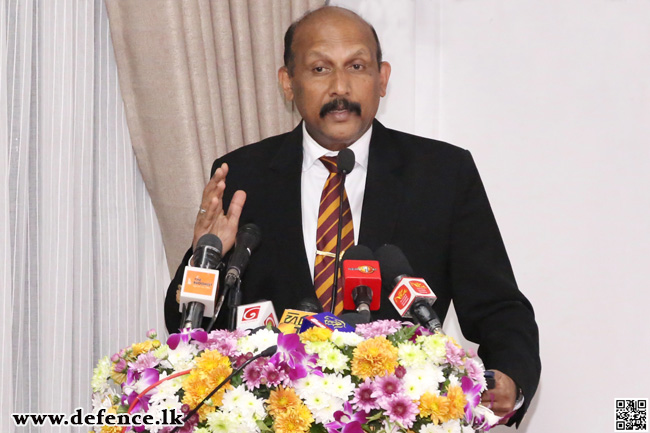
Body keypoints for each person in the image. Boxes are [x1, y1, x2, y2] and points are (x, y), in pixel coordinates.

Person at [164, 6, 540, 426]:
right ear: (288, 83)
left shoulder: (441, 174)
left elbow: (499, 307)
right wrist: (204, 256)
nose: (340, 87)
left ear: (382, 79)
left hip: (396, 418)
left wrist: (510, 377)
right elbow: (188, 327)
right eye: (320, 68)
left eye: (357, 66)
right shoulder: (244, 177)